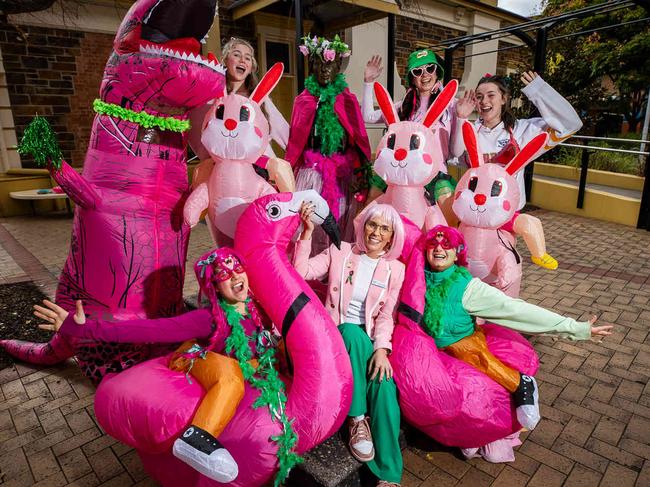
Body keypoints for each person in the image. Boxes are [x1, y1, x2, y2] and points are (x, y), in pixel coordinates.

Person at [34, 248, 298, 484]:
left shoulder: (257, 309)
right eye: (223, 274)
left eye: (236, 267)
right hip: (202, 361)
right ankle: (196, 440)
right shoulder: (209, 319)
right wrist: (83, 328)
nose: (233, 276)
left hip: (247, 376)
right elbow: (149, 329)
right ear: (215, 287)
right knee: (229, 377)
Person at [419, 225, 613, 434]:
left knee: (471, 371)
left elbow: (517, 310)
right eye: (433, 244)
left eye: (447, 244)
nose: (439, 249)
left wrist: (576, 328)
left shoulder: (469, 288)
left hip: (463, 350)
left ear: (458, 253)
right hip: (430, 354)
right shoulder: (417, 277)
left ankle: (521, 384)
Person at [293, 203, 405, 487]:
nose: (375, 232)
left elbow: (385, 316)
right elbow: (300, 271)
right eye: (371, 224)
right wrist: (306, 232)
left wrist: (381, 350)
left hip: (366, 343)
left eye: (384, 228)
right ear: (362, 225)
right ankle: (357, 420)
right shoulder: (340, 251)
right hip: (334, 338)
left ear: (391, 237)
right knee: (353, 334)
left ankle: (388, 476)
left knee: (384, 384)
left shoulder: (396, 269)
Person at [451, 71, 583, 270]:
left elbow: (570, 124)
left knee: (502, 269)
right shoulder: (468, 129)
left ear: (504, 98)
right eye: (479, 96)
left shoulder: (524, 131)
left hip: (504, 219)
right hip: (471, 220)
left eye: (491, 95)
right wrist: (460, 118)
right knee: (467, 270)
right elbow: (453, 153)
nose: (484, 101)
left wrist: (539, 91)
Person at [285, 35, 372, 251]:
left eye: (330, 64)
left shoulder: (347, 100)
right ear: (312, 66)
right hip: (311, 174)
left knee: (340, 223)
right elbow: (295, 144)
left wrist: (361, 175)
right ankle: (308, 270)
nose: (325, 69)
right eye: (319, 63)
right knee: (309, 222)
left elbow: (358, 139)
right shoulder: (303, 100)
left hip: (342, 174)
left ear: (338, 67)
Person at [362, 49, 457, 222]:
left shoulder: (450, 106)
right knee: (372, 205)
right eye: (418, 71)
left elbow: (455, 150)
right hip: (401, 173)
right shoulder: (403, 106)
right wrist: (368, 82)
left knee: (445, 218)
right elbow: (367, 116)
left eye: (430, 68)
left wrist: (464, 117)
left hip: (433, 174)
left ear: (437, 72)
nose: (425, 74)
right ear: (412, 78)